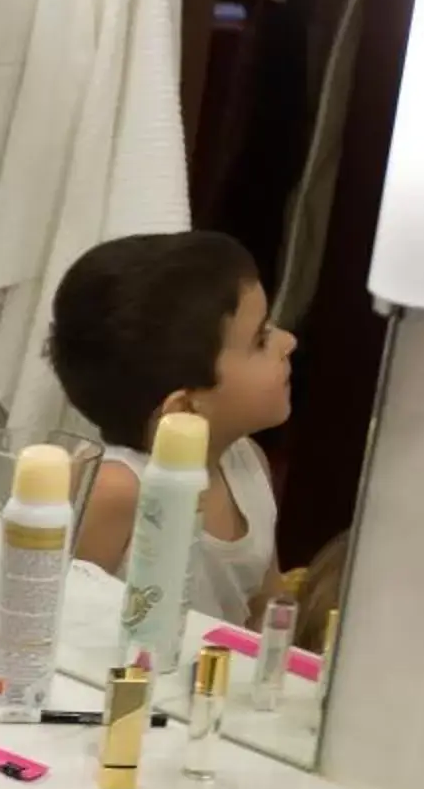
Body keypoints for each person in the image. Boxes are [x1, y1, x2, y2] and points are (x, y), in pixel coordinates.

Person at [48, 230, 294, 625]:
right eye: (261, 339)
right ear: (183, 409)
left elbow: (266, 610)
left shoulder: (248, 463)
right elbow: (63, 623)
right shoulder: (117, 490)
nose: (289, 341)